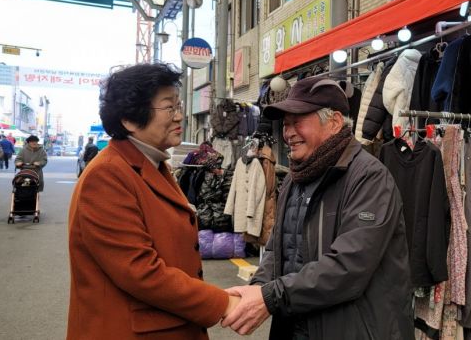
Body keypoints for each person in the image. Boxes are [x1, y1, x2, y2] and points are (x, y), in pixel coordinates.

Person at [222, 76, 414, 339]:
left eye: (297, 122)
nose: (288, 133)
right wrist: (256, 289)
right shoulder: (294, 178)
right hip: (295, 327)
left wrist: (270, 297)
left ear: (334, 122)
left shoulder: (369, 178)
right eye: (286, 124)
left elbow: (348, 267)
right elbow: (278, 250)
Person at [67, 63, 238, 340]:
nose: (180, 115)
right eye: (169, 108)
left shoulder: (150, 163)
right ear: (130, 119)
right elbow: (139, 271)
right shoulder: (108, 175)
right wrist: (222, 303)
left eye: (178, 105)